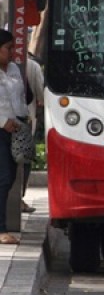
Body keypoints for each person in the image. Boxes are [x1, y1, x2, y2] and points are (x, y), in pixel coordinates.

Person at [0, 29, 28, 245]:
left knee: (9, 178)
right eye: (8, 48)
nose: (12, 53)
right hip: (1, 129)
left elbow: (20, 98)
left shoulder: (14, 70)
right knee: (4, 178)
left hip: (15, 130)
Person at [21, 55, 44, 213]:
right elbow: (41, 95)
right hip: (26, 121)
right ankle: (20, 199)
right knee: (24, 161)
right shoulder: (32, 66)